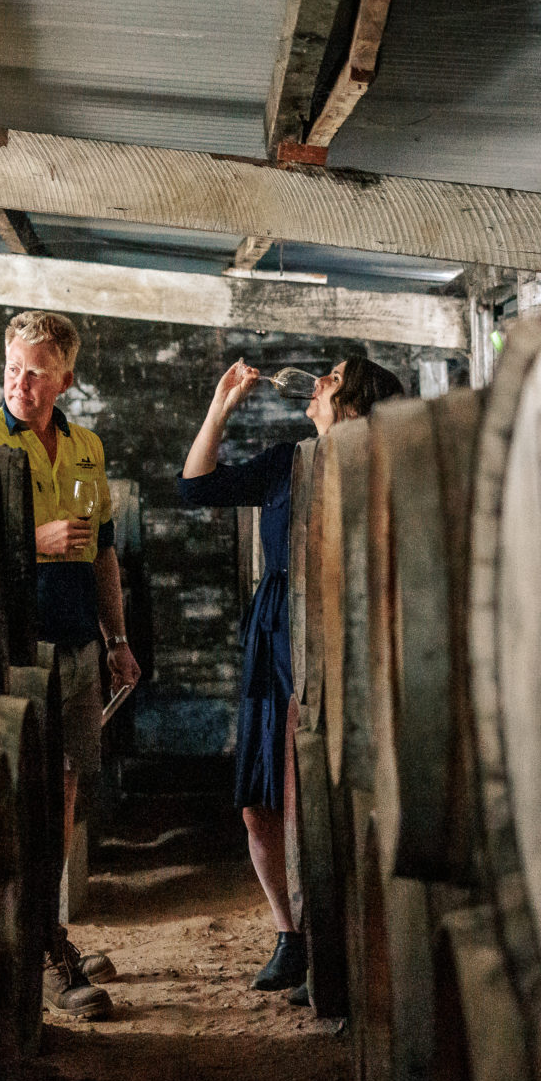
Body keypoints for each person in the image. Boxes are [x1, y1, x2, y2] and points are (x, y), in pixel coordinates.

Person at [178, 354, 406, 997]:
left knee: (320, 800)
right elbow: (196, 487)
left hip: (341, 639)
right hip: (277, 630)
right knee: (259, 804)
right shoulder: (287, 462)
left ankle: (334, 942)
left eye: (332, 380)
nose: (317, 384)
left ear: (356, 406)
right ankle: (290, 936)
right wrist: (221, 406)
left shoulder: (379, 469)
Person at [0, 311, 143, 1022]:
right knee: (15, 794)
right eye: (11, 368)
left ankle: (45, 928)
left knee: (63, 791)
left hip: (75, 642)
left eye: (35, 371)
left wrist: (116, 636)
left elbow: (103, 554)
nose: (19, 383)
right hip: (11, 648)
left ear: (65, 377)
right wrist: (38, 538)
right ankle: (34, 944)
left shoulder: (87, 447)